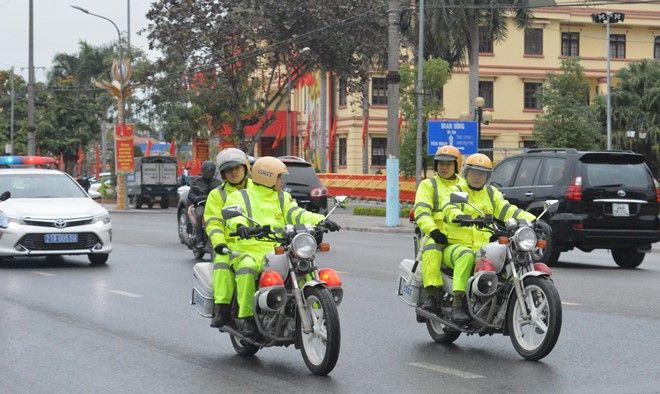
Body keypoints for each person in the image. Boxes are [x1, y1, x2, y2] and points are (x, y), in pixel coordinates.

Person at [223, 156, 340, 336]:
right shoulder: (240, 196)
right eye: (279, 177)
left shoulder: (283, 197)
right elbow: (234, 215)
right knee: (247, 267)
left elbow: (297, 214)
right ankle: (246, 317)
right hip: (249, 248)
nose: (282, 181)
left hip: (278, 246)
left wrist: (322, 220)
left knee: (305, 266)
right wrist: (240, 226)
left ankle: (315, 311)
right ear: (267, 177)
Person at [440, 153, 535, 323]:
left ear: (487, 176)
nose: (477, 177)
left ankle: (495, 299)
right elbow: (448, 208)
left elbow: (507, 209)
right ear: (466, 173)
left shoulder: (491, 193)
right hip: (455, 247)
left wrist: (532, 220)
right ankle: (457, 304)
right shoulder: (456, 190)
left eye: (482, 174)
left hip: (483, 248)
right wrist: (460, 216)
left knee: (506, 255)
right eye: (474, 173)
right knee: (466, 256)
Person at [413, 145, 467, 312]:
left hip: (461, 232)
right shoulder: (428, 185)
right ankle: (432, 294)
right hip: (438, 232)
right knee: (431, 248)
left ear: (456, 165)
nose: (444, 167)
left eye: (449, 164)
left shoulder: (465, 185)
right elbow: (421, 211)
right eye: (441, 164)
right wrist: (433, 231)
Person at [204, 148, 254, 328]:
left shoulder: (259, 189)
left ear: (245, 168)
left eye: (236, 168)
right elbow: (213, 222)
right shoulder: (217, 195)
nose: (233, 173)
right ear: (223, 174)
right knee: (223, 264)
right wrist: (219, 243)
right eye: (228, 170)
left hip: (260, 242)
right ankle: (223, 310)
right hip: (230, 243)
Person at [188, 161, 222, 248]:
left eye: (212, 171)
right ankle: (199, 239)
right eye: (208, 171)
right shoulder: (196, 182)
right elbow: (191, 195)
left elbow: (224, 194)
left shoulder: (218, 183)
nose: (210, 173)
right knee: (200, 214)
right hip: (202, 205)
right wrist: (197, 199)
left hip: (216, 206)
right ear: (203, 171)